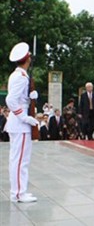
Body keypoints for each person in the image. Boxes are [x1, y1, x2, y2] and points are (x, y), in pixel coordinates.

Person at [5, 42, 40, 203]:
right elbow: (11, 100)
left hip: (18, 122)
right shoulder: (21, 77)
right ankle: (18, 193)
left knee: (19, 159)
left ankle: (20, 190)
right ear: (27, 59)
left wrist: (30, 95)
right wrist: (25, 118)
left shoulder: (18, 75)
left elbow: (18, 97)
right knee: (20, 160)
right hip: (20, 123)